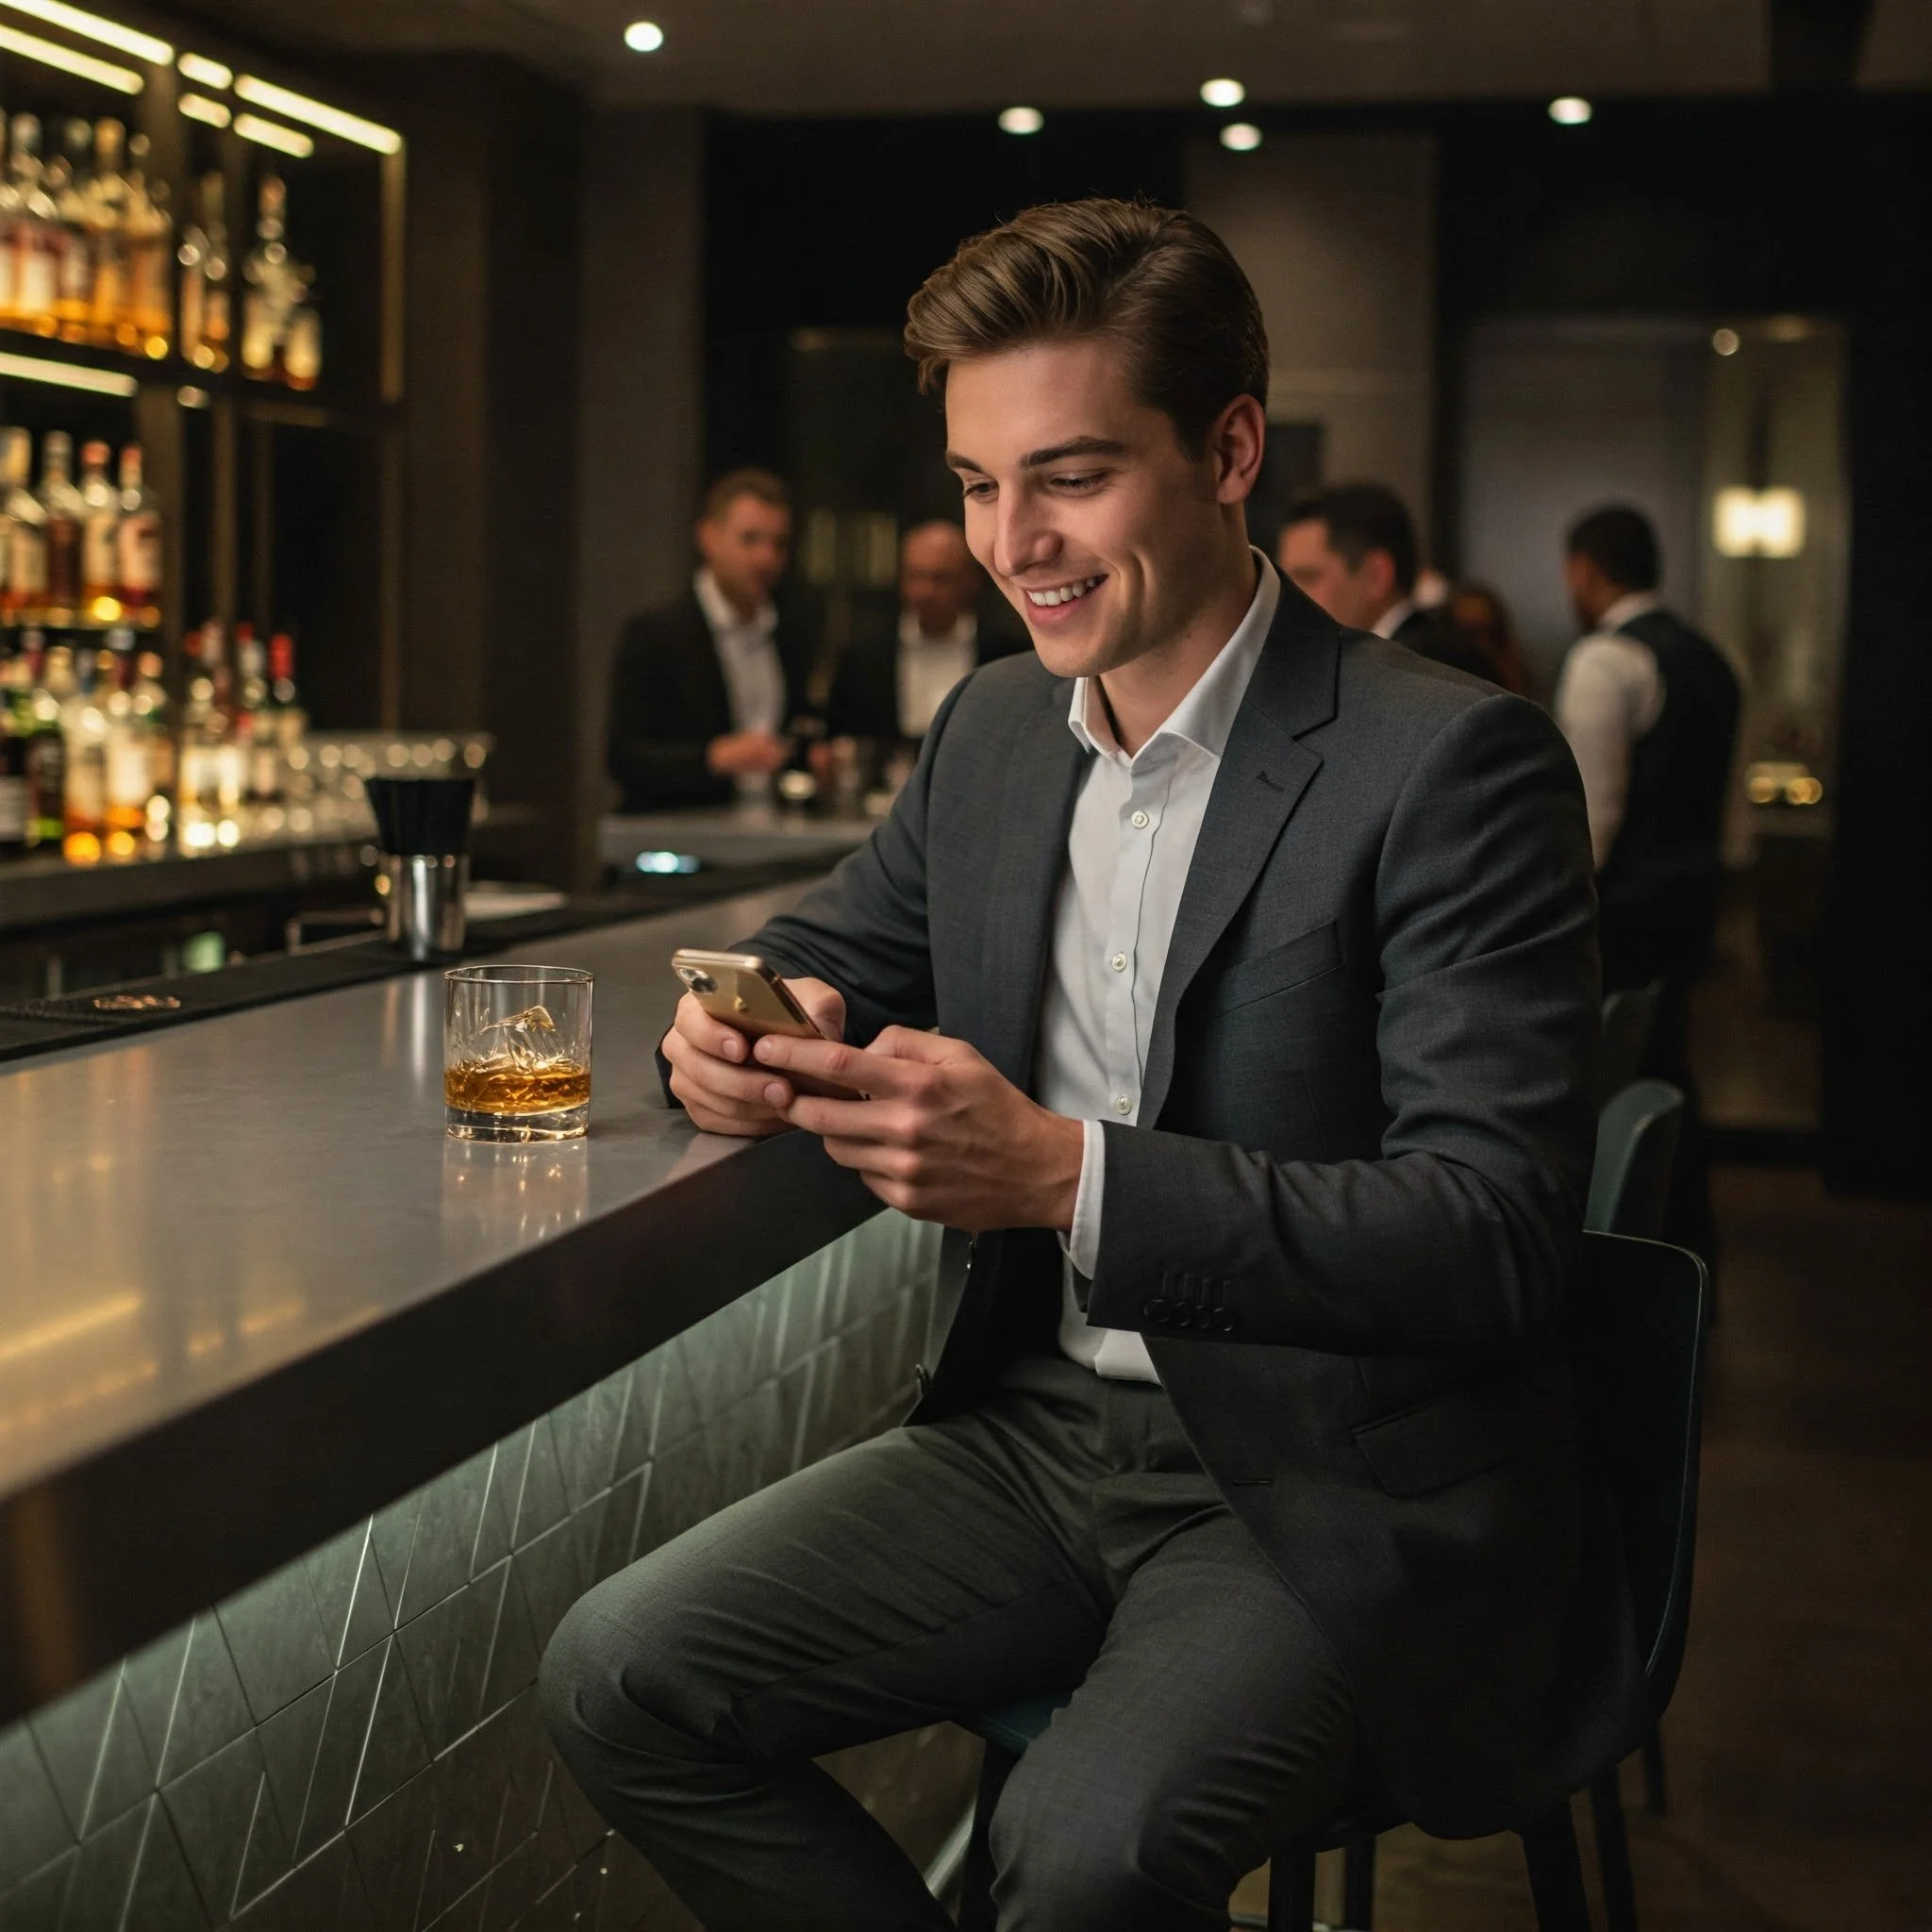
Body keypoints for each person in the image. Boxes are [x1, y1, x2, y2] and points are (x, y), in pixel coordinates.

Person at [543, 199, 1637, 1932]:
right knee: (619, 1671)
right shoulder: (989, 732)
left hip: (1314, 1482)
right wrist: (733, 1041)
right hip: (1034, 1441)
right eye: (976, 483)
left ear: (1228, 448)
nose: (1011, 541)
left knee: (1075, 1853)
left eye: (1067, 475)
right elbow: (827, 959)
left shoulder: (1447, 762)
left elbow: (1488, 1234)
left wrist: (1066, 1173)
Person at [1556, 504, 1741, 1265]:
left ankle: (1632, 1267)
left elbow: (1590, 821)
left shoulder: (1605, 660)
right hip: (1690, 901)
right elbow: (1728, 813)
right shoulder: (1714, 659)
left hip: (1623, 915)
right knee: (1666, 1076)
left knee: (1618, 1086)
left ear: (1586, 571)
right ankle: (1688, 1260)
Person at [607, 469, 813, 811]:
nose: (766, 558)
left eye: (778, 544)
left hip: (767, 833)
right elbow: (623, 759)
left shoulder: (789, 635)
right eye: (749, 539)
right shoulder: (656, 635)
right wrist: (716, 757)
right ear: (708, 537)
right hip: (677, 835)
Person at [825, 520, 1026, 743]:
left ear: (970, 581)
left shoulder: (1007, 654)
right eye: (916, 577)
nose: (926, 592)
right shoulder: (862, 655)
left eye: (940, 579)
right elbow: (837, 735)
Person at [1276, 482, 1492, 680]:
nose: (1286, 595)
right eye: (1283, 578)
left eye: (1308, 576)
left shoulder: (1425, 665)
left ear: (1376, 575)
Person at [1445, 579, 1534, 697]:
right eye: (1471, 635)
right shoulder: (1450, 672)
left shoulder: (1514, 668)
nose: (1481, 646)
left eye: (1488, 633)